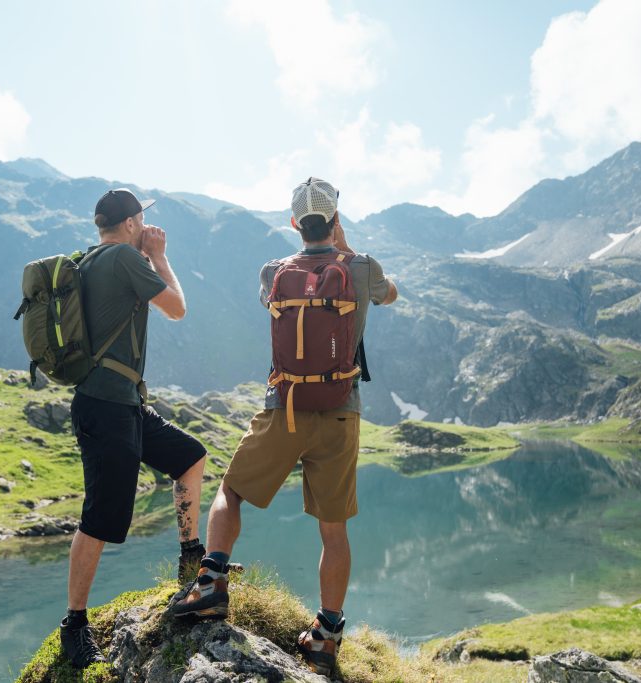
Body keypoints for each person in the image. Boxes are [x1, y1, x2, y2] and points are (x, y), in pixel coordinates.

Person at [171, 178, 398, 675]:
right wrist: (348, 252)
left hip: (284, 407)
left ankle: (210, 584)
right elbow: (390, 294)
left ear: (294, 223)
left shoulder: (274, 270)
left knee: (230, 491)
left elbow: (268, 305)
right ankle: (325, 635)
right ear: (336, 220)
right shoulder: (359, 269)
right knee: (333, 532)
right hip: (341, 413)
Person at [60, 188, 208, 668]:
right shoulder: (126, 256)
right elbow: (178, 308)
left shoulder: (91, 258)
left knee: (189, 457)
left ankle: (191, 559)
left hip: (121, 404)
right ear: (128, 223)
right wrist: (161, 258)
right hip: (107, 407)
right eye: (142, 217)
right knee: (100, 518)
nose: (147, 225)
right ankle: (74, 626)